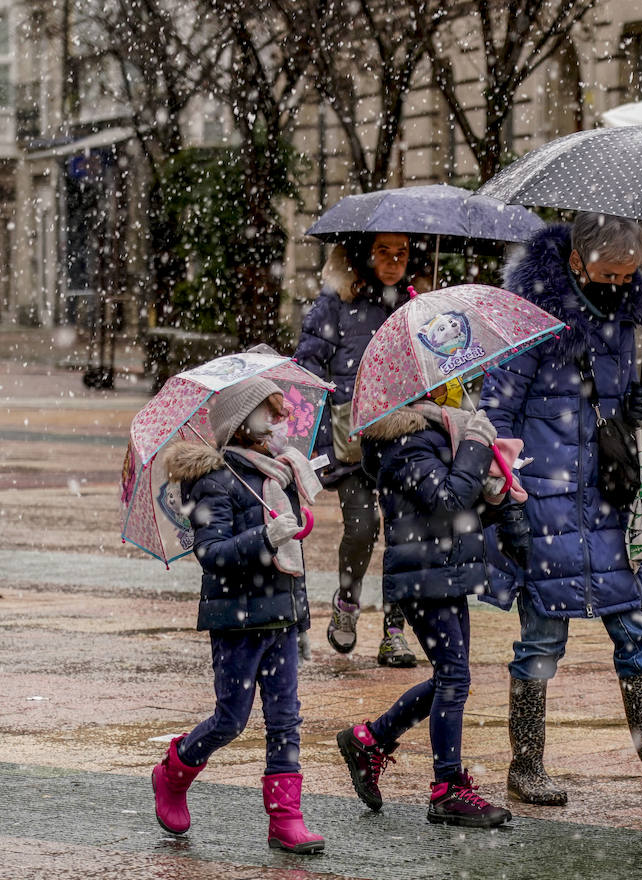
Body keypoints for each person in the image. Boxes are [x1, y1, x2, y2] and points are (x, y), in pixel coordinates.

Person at [479, 212, 642, 805]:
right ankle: (526, 765)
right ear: (575, 260)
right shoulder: (529, 318)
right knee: (542, 637)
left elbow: (608, 407)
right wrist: (508, 497)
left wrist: (637, 406)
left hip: (612, 501)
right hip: (545, 499)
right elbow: (499, 412)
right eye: (608, 274)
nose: (619, 286)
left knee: (637, 626)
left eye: (628, 277)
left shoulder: (621, 318)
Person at [152, 377, 325, 854]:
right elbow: (211, 553)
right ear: (238, 421)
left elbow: (295, 560)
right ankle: (174, 771)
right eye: (267, 411)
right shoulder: (215, 479)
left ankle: (286, 819)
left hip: (280, 618)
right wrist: (265, 539)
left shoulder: (277, 474)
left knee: (286, 721)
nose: (277, 419)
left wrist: (301, 619)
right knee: (231, 720)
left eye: (277, 410)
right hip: (237, 620)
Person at [334, 379, 517, 828]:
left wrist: (492, 495)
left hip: (446, 570)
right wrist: (475, 445)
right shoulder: (401, 443)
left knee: (452, 678)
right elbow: (445, 500)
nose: (459, 390)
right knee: (454, 678)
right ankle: (447, 789)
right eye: (451, 385)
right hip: (423, 577)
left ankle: (371, 740)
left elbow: (460, 504)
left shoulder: (435, 433)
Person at [295, 232, 418, 667]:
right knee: (363, 529)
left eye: (401, 252)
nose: (394, 260)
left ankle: (395, 630)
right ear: (364, 254)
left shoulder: (414, 303)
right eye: (384, 251)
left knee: (406, 536)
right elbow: (307, 368)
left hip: (406, 437)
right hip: (352, 444)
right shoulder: (335, 305)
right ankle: (347, 601)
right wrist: (324, 423)